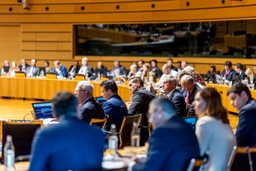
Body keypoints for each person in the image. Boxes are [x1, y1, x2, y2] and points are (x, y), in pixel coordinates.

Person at [29, 91, 104, 171]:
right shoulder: (97, 132)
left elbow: (35, 168)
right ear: (77, 109)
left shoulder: (45, 134)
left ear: (54, 111)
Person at [125, 98, 200, 171]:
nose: (149, 120)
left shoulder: (163, 131)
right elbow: (172, 156)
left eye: (150, 115)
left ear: (160, 112)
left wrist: (130, 164)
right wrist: (148, 159)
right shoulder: (186, 126)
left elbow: (149, 169)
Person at [193, 88, 236, 171]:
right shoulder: (224, 122)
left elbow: (197, 152)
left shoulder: (204, 121)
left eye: (198, 100)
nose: (193, 103)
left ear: (209, 103)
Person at [227, 83, 256, 171]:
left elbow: (240, 138)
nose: (231, 103)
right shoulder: (253, 104)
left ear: (243, 94)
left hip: (249, 155)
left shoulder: (247, 109)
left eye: (233, 98)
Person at [128, 77, 155, 145]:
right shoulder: (147, 93)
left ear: (138, 83)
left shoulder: (139, 94)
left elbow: (130, 113)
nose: (129, 88)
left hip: (142, 132)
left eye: (131, 85)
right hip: (150, 128)